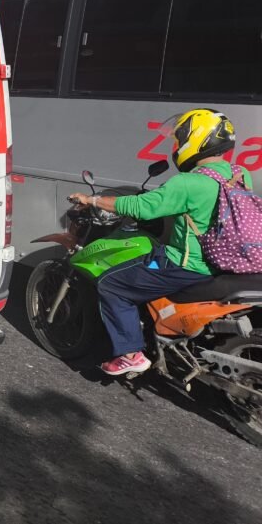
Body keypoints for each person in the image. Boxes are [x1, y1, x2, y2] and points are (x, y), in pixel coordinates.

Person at [70, 109, 251, 376]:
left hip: (188, 265)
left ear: (196, 140)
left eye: (179, 139)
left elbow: (140, 207)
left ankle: (130, 354)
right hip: (228, 260)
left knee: (112, 284)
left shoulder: (190, 182)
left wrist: (92, 200)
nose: (176, 146)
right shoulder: (238, 173)